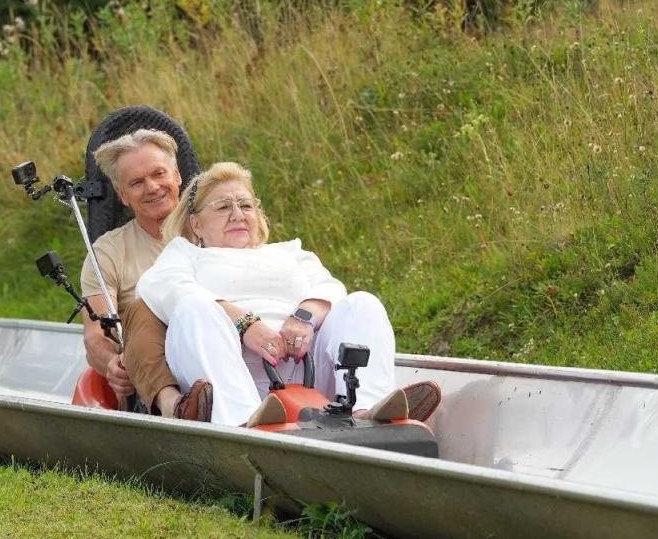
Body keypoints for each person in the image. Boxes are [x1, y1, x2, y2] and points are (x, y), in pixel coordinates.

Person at [137, 161, 439, 428]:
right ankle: (242, 420)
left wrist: (303, 318)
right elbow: (161, 286)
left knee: (362, 303)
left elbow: (330, 287)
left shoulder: (288, 252)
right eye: (223, 206)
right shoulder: (186, 254)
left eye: (245, 205)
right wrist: (245, 323)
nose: (237, 215)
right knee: (192, 306)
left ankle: (366, 410)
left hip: (304, 366)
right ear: (196, 223)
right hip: (235, 370)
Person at [79, 128, 212, 420]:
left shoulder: (216, 230)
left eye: (159, 174)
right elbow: (94, 338)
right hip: (152, 374)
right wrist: (111, 362)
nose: (152, 187)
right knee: (144, 305)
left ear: (177, 176)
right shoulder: (107, 253)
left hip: (223, 348)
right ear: (123, 195)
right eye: (137, 182)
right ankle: (175, 406)